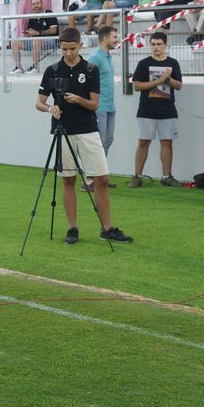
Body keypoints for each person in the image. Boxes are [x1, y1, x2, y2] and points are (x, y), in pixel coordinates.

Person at [35, 27, 132, 246]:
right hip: (64, 132)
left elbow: (94, 104)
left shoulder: (90, 70)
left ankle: (107, 228)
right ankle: (73, 228)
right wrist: (50, 108)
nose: (68, 53)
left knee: (102, 178)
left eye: (72, 48)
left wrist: (79, 100)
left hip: (88, 129)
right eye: (64, 49)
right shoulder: (52, 70)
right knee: (68, 180)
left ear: (80, 45)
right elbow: (39, 103)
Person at [130, 31, 183, 187]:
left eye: (159, 44)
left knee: (167, 143)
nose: (156, 47)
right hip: (147, 110)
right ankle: (137, 176)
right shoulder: (143, 63)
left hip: (167, 110)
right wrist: (158, 81)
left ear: (165, 45)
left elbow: (179, 85)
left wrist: (168, 80)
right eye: (153, 44)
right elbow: (137, 86)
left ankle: (167, 176)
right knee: (143, 143)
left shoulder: (173, 63)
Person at [87, 26, 120, 190]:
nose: (117, 39)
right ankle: (89, 179)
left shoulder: (107, 56)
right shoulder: (95, 58)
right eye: (114, 37)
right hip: (99, 107)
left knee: (107, 141)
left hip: (109, 106)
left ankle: (99, 177)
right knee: (98, 143)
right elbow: (85, 81)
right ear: (105, 39)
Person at [12, 0, 58, 73]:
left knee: (36, 41)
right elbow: (30, 31)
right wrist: (27, 34)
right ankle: (18, 67)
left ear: (42, 4)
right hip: (35, 41)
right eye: (33, 4)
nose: (35, 5)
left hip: (51, 40)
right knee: (15, 43)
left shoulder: (49, 13)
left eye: (37, 3)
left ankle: (35, 68)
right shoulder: (32, 16)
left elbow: (53, 30)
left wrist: (38, 33)